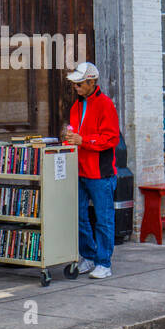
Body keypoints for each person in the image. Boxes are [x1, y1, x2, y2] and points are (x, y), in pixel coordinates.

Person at [62, 61, 121, 280]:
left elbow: (112, 138)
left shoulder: (105, 104)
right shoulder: (76, 106)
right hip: (80, 169)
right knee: (78, 216)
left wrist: (82, 140)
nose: (75, 87)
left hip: (100, 172)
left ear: (91, 82)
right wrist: (70, 140)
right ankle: (88, 256)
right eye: (75, 83)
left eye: (79, 83)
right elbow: (76, 135)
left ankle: (104, 262)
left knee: (104, 218)